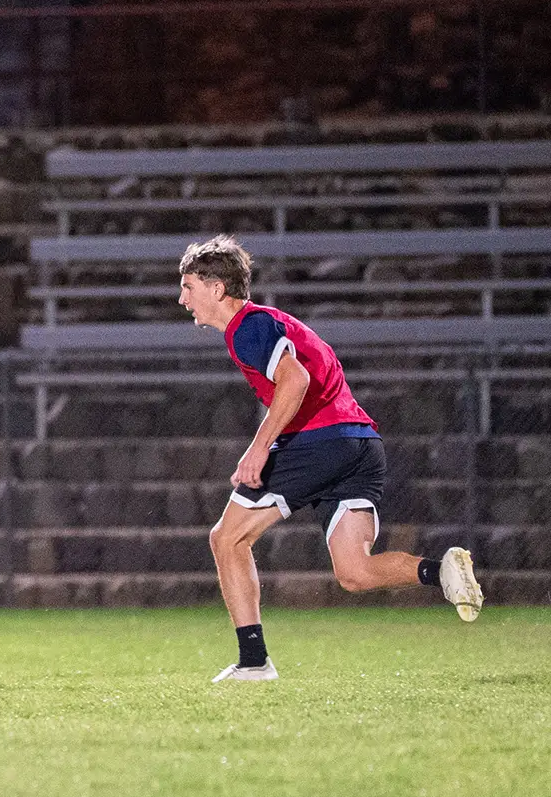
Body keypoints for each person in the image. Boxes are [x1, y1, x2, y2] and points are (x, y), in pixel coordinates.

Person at [178, 234, 483, 683]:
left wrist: (259, 446)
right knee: (355, 573)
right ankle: (442, 573)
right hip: (360, 445)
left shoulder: (248, 326)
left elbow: (295, 381)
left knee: (227, 539)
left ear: (217, 289)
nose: (182, 298)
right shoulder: (266, 323)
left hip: (319, 442)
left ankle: (253, 662)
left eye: (188, 286)